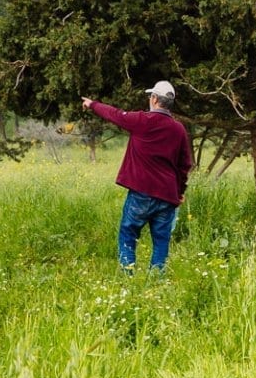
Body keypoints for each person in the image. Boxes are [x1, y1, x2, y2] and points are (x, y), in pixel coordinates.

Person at [82, 81, 194, 271]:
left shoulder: (142, 120)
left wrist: (93, 104)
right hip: (167, 195)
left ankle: (128, 278)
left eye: (150, 97)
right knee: (161, 242)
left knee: (128, 233)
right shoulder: (179, 130)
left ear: (155, 99)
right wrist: (180, 191)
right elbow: (185, 166)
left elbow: (114, 115)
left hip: (141, 193)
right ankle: (157, 282)